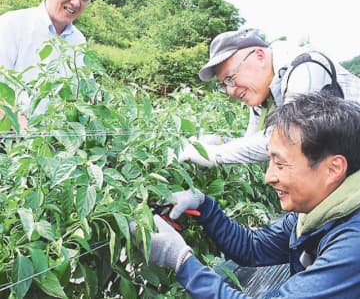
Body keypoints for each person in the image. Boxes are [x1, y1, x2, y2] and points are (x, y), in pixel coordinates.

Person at [139, 92, 360, 298]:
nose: (269, 177)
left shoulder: (353, 244)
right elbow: (253, 247)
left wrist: (181, 260)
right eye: (269, 161)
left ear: (333, 169)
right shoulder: (317, 211)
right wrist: (204, 206)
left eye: (280, 163)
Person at [178, 28, 360, 167]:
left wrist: (214, 155)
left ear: (259, 55)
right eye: (224, 84)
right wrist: (218, 142)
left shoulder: (304, 67)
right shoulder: (263, 94)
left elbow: (287, 138)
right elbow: (253, 141)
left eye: (230, 78)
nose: (230, 90)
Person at [0, 0, 97, 123]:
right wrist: (28, 134)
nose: (76, 2)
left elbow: (86, 94)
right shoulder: (11, 25)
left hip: (57, 143)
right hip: (10, 142)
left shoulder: (78, 41)